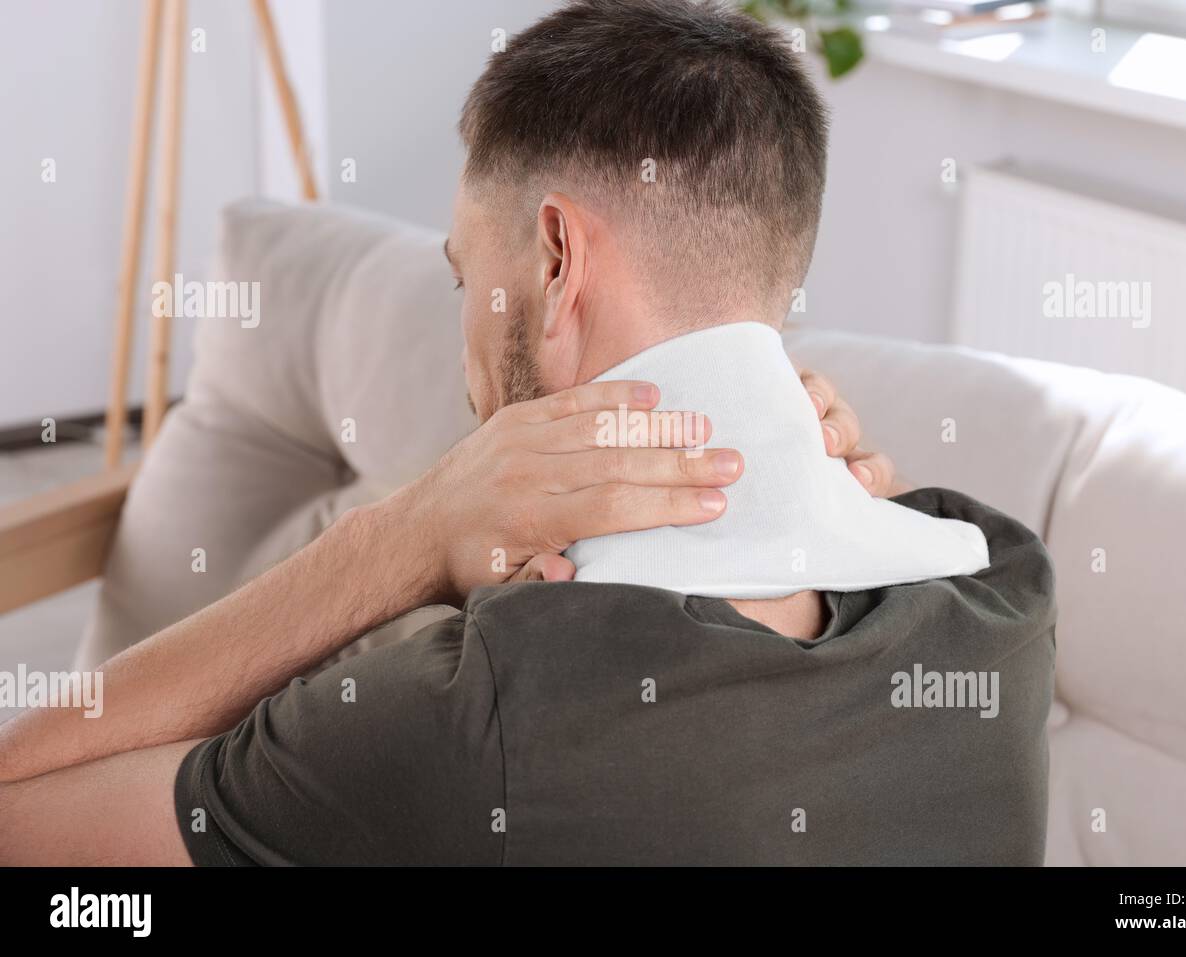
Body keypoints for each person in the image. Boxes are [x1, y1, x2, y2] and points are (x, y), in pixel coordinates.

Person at [0, 0, 1053, 865]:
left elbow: (18, 809)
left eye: (466, 276)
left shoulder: (466, 713)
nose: (465, 334)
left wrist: (401, 539)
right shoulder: (996, 590)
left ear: (555, 263)